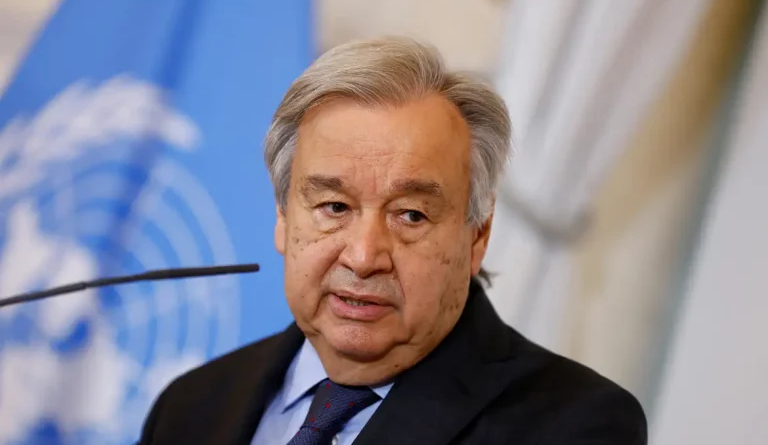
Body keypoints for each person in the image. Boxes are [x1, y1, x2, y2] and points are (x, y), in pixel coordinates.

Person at [138, 36, 647, 445]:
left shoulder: (573, 425)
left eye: (410, 215)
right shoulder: (192, 405)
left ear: (477, 236)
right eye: (334, 207)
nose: (362, 258)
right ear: (283, 218)